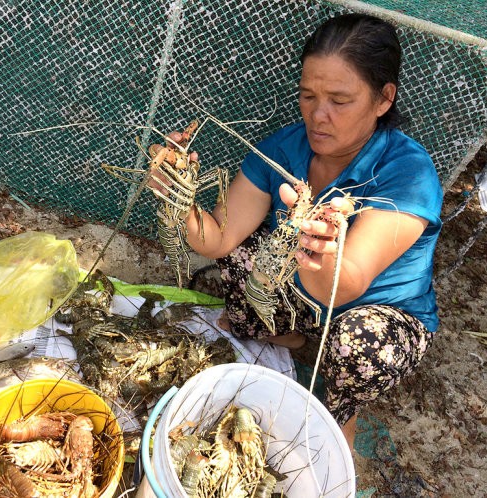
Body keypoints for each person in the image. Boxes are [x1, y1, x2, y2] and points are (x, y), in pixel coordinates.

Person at [151, 13, 443, 450]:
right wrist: (178, 198)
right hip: (301, 286)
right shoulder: (283, 147)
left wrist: (321, 248)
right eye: (308, 96)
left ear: (383, 99)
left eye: (339, 101)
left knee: (359, 349)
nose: (317, 116)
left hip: (371, 308)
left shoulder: (407, 171)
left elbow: (347, 284)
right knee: (243, 261)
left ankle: (345, 406)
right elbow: (217, 239)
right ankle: (292, 336)